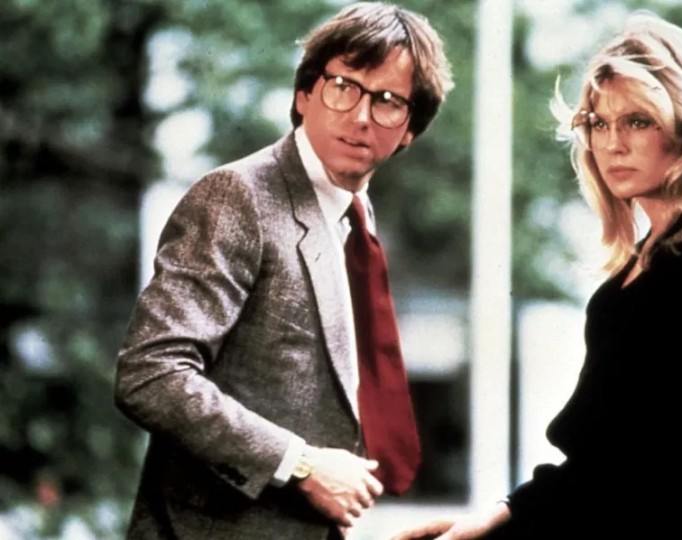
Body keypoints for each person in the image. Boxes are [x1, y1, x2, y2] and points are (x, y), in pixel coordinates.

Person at [391, 11, 682, 540]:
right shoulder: (639, 264)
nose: (612, 143)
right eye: (599, 124)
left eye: (637, 121)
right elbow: (596, 462)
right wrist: (494, 517)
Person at [114, 3, 453, 539]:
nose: (361, 116)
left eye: (388, 102)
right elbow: (152, 374)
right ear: (304, 94)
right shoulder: (238, 197)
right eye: (344, 87)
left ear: (410, 129)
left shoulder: (354, 217)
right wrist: (298, 464)